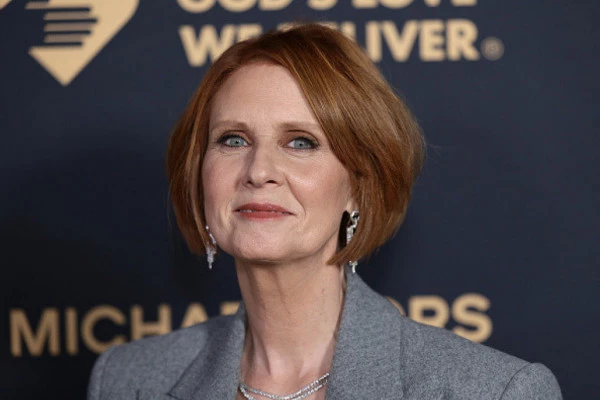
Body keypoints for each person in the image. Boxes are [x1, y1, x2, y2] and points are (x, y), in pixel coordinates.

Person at [88, 23, 562, 400]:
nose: (259, 171)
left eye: (301, 142)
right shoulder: (127, 381)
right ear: (198, 173)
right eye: (233, 139)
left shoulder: (492, 391)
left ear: (359, 185)